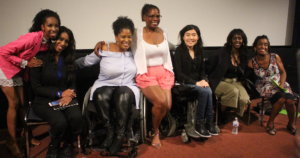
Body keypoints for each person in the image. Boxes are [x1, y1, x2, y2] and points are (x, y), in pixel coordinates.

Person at [0, 9, 60, 158]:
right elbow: (3, 51)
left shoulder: (46, 43)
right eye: (50, 25)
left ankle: (26, 136)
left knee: (23, 105)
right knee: (13, 104)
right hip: (4, 66)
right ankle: (12, 142)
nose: (54, 28)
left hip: (17, 70)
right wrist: (25, 62)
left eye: (56, 25)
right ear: (42, 27)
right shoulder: (33, 37)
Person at [76, 17, 139, 155]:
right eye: (123, 36)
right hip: (105, 84)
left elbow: (164, 47)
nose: (126, 40)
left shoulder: (135, 49)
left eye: (129, 37)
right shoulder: (105, 48)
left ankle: (119, 135)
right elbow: (85, 62)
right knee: (100, 94)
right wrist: (67, 63)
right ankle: (110, 130)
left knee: (123, 94)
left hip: (127, 86)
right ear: (116, 36)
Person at [30, 26, 82, 158]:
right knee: (60, 122)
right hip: (43, 100)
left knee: (76, 117)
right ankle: (54, 147)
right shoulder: (39, 58)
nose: (63, 43)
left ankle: (68, 144)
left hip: (67, 98)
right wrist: (60, 94)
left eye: (66, 41)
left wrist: (69, 96)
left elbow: (73, 84)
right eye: (60, 39)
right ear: (53, 39)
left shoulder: (69, 59)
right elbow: (36, 88)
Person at [132, 4, 174, 148]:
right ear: (144, 17)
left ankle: (153, 124)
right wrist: (103, 44)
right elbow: (121, 41)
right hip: (146, 73)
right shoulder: (136, 33)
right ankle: (155, 132)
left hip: (163, 72)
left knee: (167, 105)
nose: (155, 19)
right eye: (151, 16)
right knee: (160, 102)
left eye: (158, 16)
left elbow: (167, 51)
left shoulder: (163, 31)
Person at [173, 25, 219, 138]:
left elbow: (203, 71)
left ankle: (208, 122)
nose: (191, 38)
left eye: (194, 35)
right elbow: (179, 74)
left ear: (198, 37)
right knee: (205, 91)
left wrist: (204, 80)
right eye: (187, 35)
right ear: (183, 37)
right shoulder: (179, 51)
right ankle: (200, 123)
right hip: (183, 83)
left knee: (208, 89)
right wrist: (196, 83)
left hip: (197, 83)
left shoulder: (199, 51)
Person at [248, 35, 296, 135]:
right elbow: (248, 78)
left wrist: (282, 85)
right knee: (281, 99)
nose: (263, 47)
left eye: (265, 44)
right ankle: (270, 122)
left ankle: (291, 124)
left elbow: (283, 72)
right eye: (260, 44)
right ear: (255, 47)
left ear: (268, 46)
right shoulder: (252, 62)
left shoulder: (275, 57)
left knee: (290, 101)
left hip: (279, 82)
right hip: (265, 85)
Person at [208, 29, 250, 121]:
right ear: (230, 40)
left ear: (243, 40)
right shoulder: (221, 53)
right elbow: (209, 68)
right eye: (235, 38)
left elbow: (244, 72)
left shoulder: (243, 54)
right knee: (233, 91)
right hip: (221, 81)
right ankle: (219, 115)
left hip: (236, 82)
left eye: (240, 38)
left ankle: (237, 117)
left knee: (244, 99)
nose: (237, 40)